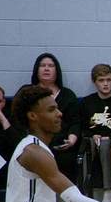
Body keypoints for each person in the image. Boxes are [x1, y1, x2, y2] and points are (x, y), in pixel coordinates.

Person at [79, 64, 111, 202]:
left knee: (106, 143)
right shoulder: (87, 102)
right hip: (93, 139)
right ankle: (83, 191)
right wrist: (92, 135)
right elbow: (82, 125)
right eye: (101, 80)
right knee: (86, 146)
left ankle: (108, 191)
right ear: (95, 82)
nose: (106, 84)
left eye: (108, 80)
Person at [30, 53, 81, 181]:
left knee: (67, 159)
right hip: (35, 144)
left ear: (56, 71)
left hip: (62, 146)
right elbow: (18, 120)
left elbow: (75, 121)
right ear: (36, 70)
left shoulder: (68, 95)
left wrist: (72, 138)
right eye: (42, 65)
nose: (46, 68)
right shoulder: (28, 93)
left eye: (51, 66)